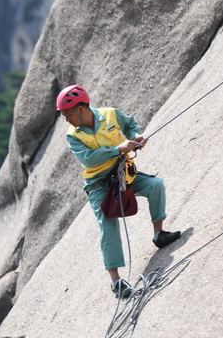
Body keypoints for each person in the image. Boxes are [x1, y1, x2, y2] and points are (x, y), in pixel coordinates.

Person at [57, 83, 181, 298]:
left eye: (68, 114)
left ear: (80, 108)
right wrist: (118, 149)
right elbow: (88, 158)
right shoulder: (73, 136)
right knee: (108, 224)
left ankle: (159, 234)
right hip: (99, 184)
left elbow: (130, 124)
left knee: (155, 186)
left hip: (123, 173)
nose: (66, 119)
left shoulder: (110, 114)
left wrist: (136, 136)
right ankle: (116, 282)